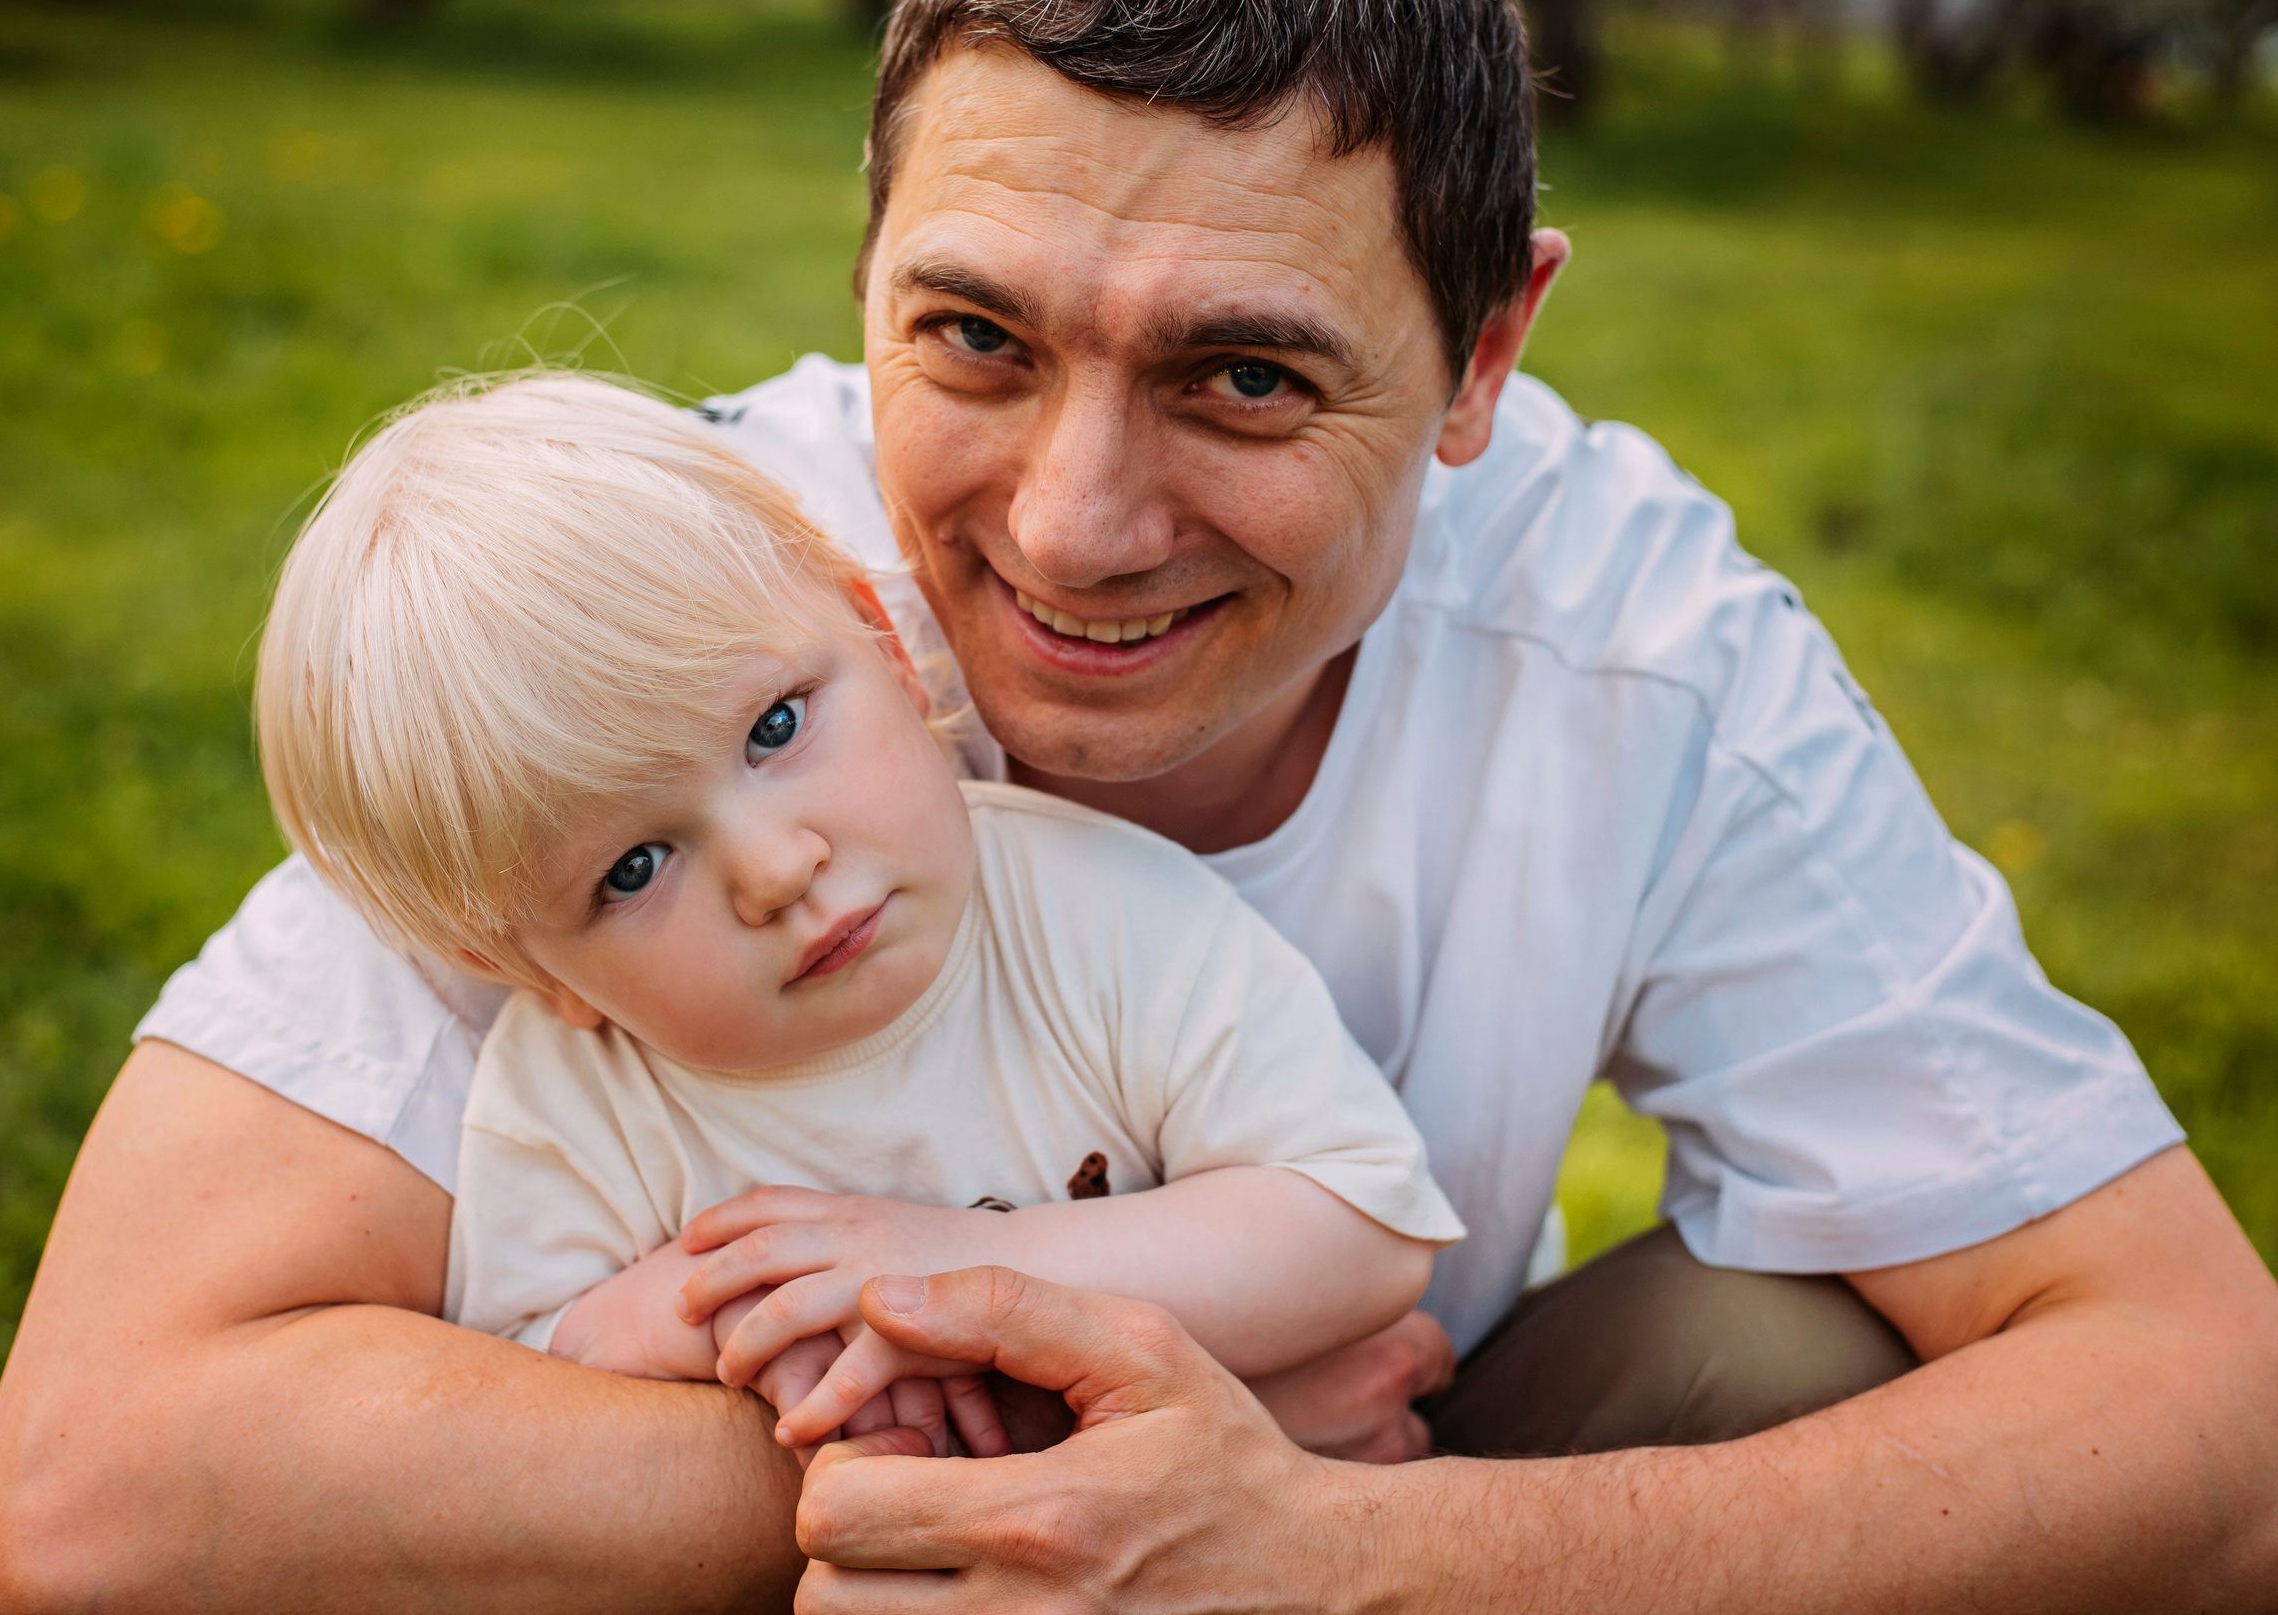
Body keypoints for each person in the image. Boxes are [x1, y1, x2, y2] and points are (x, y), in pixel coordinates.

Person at [0, 0, 2278, 1609]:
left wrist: (1345, 1558)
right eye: (970, 335)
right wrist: (1060, 1473)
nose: (1064, 528)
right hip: (870, 1548)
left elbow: (2209, 1422)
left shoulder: (1630, 647)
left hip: (1367, 1483)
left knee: (1811, 1343)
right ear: (859, 269)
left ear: (1481, 357)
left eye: (1243, 376)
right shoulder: (617, 640)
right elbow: (84, 1508)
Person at [257, 372, 1459, 1457]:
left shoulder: (1102, 917)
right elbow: (523, 1377)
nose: (776, 869)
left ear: (885, 643)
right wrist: (697, 1329)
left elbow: (1359, 1221)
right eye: (632, 866)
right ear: (527, 965)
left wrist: (959, 1273)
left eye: (774, 727)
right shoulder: (579, 1108)